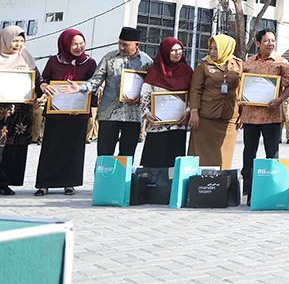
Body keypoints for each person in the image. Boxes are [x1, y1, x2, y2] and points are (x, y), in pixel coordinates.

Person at [35, 29, 97, 195]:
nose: (79, 47)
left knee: (74, 148)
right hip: (56, 112)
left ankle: (69, 183)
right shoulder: (54, 61)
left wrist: (83, 104)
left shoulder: (89, 63)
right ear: (65, 44)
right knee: (51, 147)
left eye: (81, 43)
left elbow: (94, 85)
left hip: (78, 113)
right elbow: (43, 78)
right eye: (74, 44)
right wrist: (43, 86)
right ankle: (44, 184)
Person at [82, 27, 153, 158]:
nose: (121, 47)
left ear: (136, 44)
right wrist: (80, 87)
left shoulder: (146, 62)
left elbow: (152, 87)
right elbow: (96, 80)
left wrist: (142, 97)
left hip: (133, 115)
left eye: (125, 45)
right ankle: (103, 179)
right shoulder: (109, 58)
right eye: (120, 43)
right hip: (109, 115)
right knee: (104, 156)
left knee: (126, 157)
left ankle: (122, 179)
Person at [239, 29, 289, 198]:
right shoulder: (248, 63)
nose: (270, 44)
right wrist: (240, 110)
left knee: (272, 152)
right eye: (266, 41)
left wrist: (280, 99)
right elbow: (242, 87)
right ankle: (248, 186)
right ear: (257, 44)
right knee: (249, 151)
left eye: (273, 40)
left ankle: (271, 185)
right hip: (250, 115)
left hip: (272, 115)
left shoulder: (282, 63)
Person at [187, 35, 243, 168]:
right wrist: (194, 112)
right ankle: (201, 185)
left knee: (223, 159)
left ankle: (220, 186)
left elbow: (243, 91)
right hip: (206, 118)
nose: (212, 52)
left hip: (229, 118)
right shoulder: (203, 65)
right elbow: (195, 90)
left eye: (216, 49)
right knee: (201, 158)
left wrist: (243, 112)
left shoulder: (239, 65)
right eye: (211, 48)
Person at [139, 37, 193, 168]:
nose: (177, 53)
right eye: (173, 50)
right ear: (165, 52)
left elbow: (193, 94)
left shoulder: (187, 71)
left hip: (178, 124)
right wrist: (146, 112)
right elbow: (145, 94)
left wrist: (188, 112)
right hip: (157, 124)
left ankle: (171, 186)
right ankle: (153, 186)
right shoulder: (155, 71)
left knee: (174, 161)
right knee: (154, 160)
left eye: (180, 50)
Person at [0, 26, 40, 194]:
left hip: (22, 111)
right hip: (3, 111)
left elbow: (37, 80)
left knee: (14, 147)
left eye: (21, 41)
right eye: (15, 40)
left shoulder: (26, 57)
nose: (18, 45)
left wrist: (37, 96)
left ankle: (6, 181)